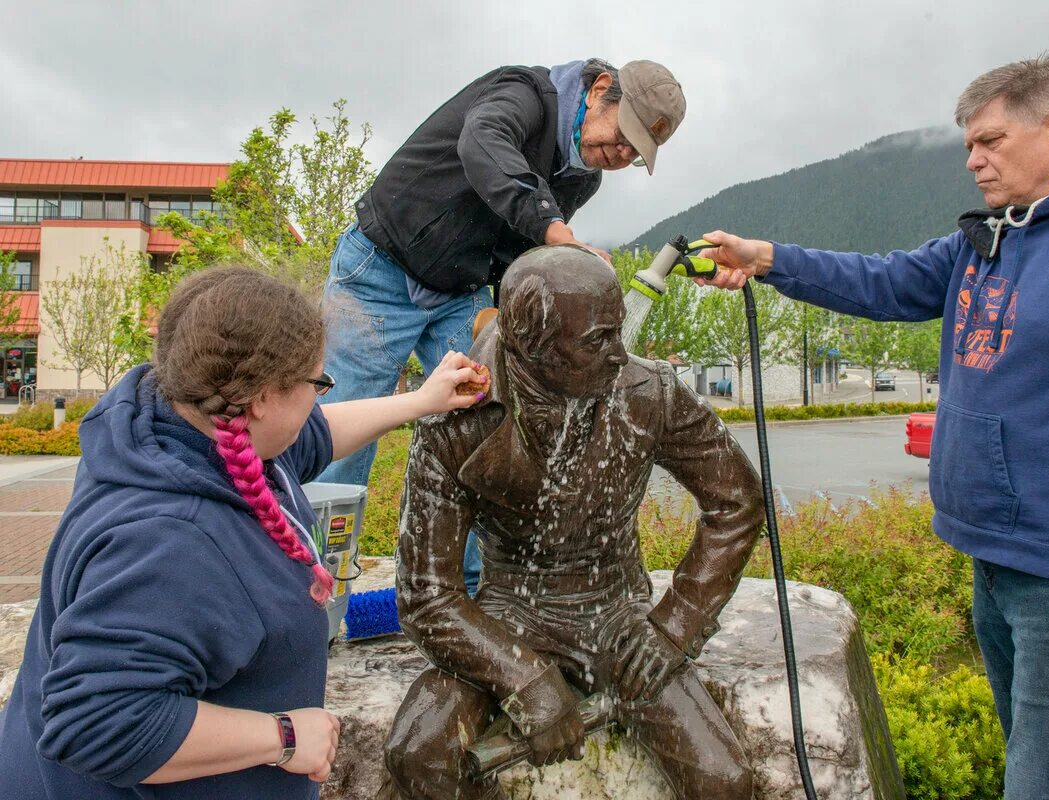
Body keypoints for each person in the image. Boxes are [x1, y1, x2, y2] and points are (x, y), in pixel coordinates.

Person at [697, 53, 1049, 799]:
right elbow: (889, 280)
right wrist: (766, 258)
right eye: (969, 144)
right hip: (993, 560)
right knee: (1039, 763)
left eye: (990, 141)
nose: (973, 160)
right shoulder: (993, 238)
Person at [0, 267, 487, 799]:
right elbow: (94, 724)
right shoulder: (174, 543)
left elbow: (312, 436)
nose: (320, 399)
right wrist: (281, 736)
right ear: (259, 400)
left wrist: (420, 401)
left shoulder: (184, 424)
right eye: (317, 383)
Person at [383, 245, 763, 800]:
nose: (618, 353)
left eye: (618, 330)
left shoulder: (648, 393)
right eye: (596, 340)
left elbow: (737, 502)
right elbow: (426, 595)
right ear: (529, 348)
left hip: (617, 614)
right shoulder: (454, 421)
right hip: (508, 615)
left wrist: (672, 627)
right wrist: (522, 678)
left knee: (723, 779)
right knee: (417, 753)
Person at [318, 57, 687, 488]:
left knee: (486, 425)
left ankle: (469, 558)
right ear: (599, 89)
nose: (621, 153)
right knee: (344, 429)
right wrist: (554, 229)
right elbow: (482, 141)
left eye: (635, 152)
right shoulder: (524, 94)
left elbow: (518, 249)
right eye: (624, 133)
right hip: (380, 269)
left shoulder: (582, 179)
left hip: (460, 291)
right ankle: (316, 555)